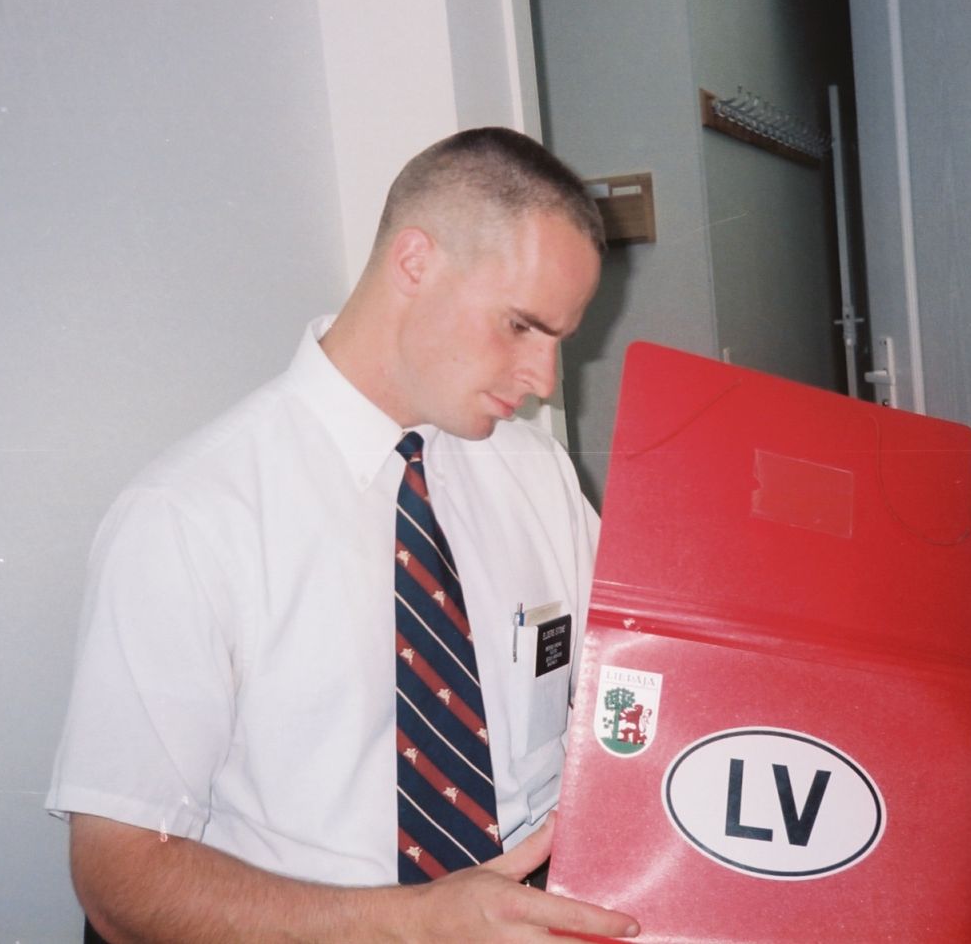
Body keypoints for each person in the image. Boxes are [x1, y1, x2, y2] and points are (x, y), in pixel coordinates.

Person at [45, 127, 641, 942]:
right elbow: (118, 881)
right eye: (519, 327)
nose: (543, 380)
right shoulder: (190, 518)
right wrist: (413, 926)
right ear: (415, 263)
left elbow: (638, 689)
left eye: (559, 341)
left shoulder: (537, 477)